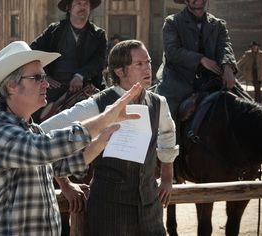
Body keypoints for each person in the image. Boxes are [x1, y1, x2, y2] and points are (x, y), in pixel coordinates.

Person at [0, 41, 142, 235]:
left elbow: (63, 165)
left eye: (44, 77)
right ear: (11, 86)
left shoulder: (33, 130)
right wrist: (105, 118)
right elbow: (45, 149)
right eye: (37, 78)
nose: (46, 83)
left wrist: (102, 139)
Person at [41, 40, 179, 235]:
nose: (147, 68)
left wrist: (167, 175)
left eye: (148, 62)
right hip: (108, 209)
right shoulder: (97, 104)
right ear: (119, 71)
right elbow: (44, 133)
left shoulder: (158, 103)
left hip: (149, 208)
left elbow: (168, 133)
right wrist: (64, 182)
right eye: (138, 64)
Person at [156, 0, 238, 132]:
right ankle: (170, 152)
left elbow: (225, 46)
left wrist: (227, 66)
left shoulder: (218, 25)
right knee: (167, 117)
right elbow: (172, 51)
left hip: (212, 77)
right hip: (179, 79)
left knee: (244, 104)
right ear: (186, 0)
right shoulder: (172, 22)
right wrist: (201, 59)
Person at [30, 0, 107, 103]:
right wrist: (44, 76)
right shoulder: (54, 31)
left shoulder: (98, 34)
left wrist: (80, 75)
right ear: (69, 8)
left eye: (86, 4)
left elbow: (99, 61)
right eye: (78, 3)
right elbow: (33, 51)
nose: (83, 7)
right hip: (54, 90)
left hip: (86, 88)